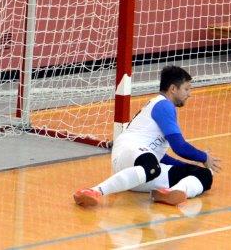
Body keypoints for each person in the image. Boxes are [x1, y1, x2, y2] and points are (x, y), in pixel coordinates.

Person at [73, 65, 221, 207]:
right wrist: (204, 157)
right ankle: (94, 191)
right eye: (186, 89)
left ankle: (173, 192)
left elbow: (159, 156)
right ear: (173, 89)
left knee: (205, 174)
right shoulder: (164, 105)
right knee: (152, 166)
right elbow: (179, 146)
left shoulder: (160, 109)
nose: (189, 94)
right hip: (128, 154)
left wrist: (189, 166)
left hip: (141, 173)